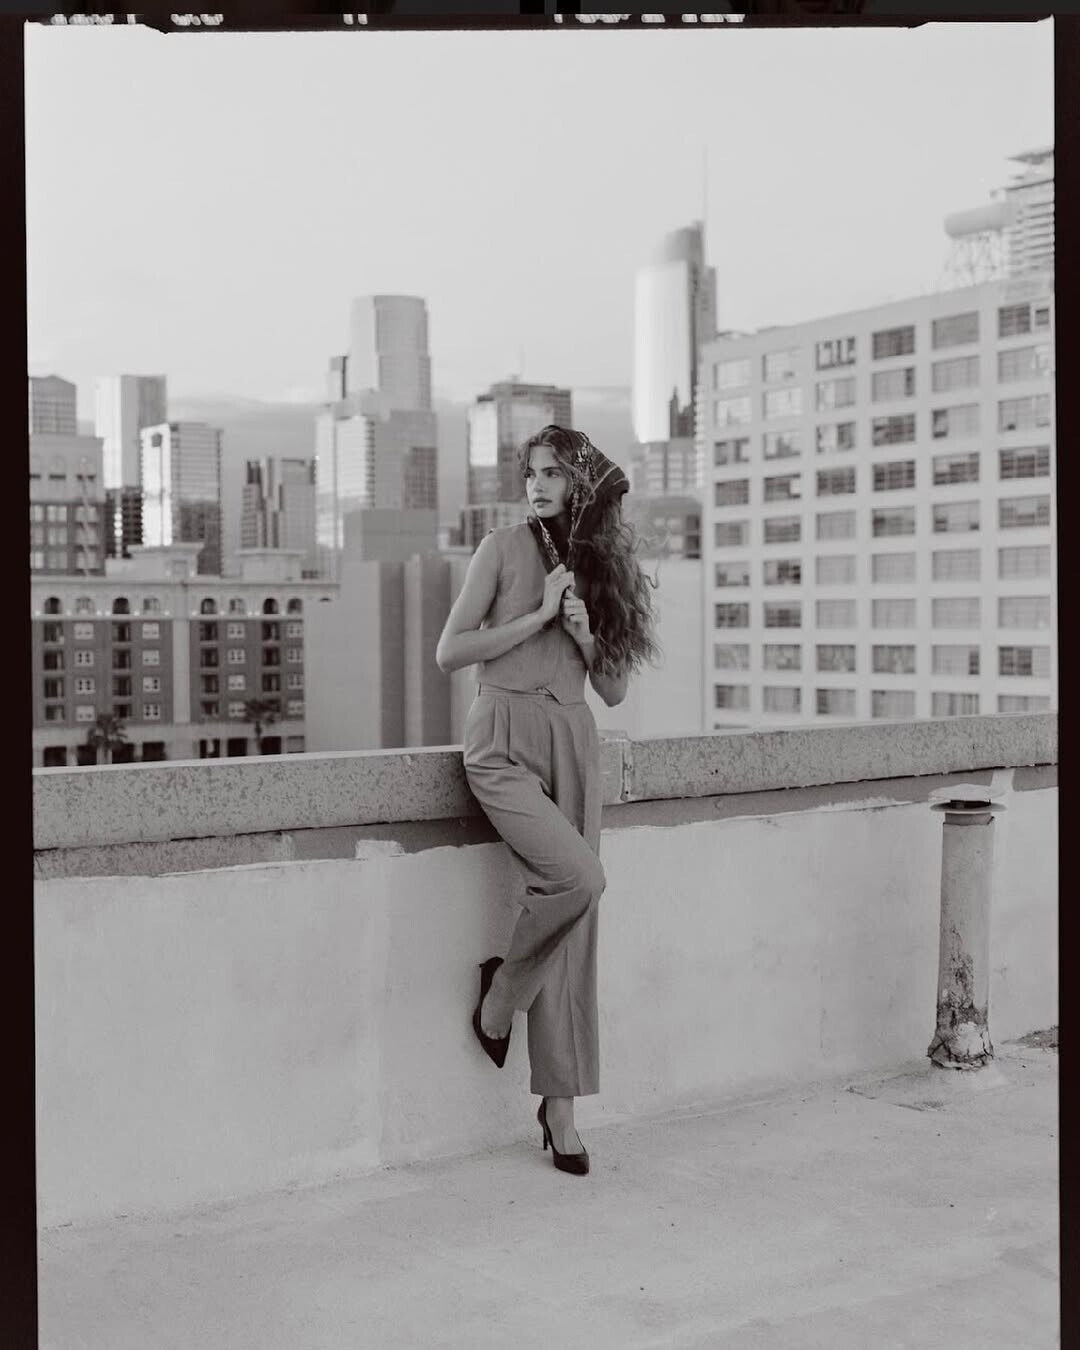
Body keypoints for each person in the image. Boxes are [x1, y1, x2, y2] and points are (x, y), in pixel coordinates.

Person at [436, 424, 660, 1176]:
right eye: (531, 472)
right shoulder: (500, 548)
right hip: (500, 737)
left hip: (572, 738)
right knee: (579, 879)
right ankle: (501, 994)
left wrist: (586, 634)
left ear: (582, 486)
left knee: (576, 924)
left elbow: (614, 690)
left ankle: (560, 1108)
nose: (538, 485)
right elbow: (449, 651)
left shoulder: (602, 569)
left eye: (555, 474)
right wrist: (534, 618)